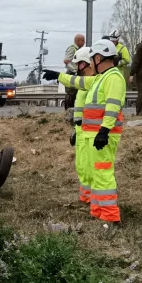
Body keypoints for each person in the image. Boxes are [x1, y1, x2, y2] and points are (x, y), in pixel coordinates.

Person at [42, 46, 98, 205]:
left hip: (91, 132)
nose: (77, 67)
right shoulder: (84, 84)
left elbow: (76, 82)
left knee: (90, 167)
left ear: (87, 63)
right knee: (82, 166)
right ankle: (87, 197)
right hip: (82, 130)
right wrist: (76, 129)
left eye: (79, 64)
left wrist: (59, 76)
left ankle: (95, 199)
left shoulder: (94, 82)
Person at [84, 39, 126, 223]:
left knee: (102, 172)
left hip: (102, 134)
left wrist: (104, 130)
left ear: (99, 58)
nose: (91, 63)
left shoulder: (113, 77)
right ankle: (98, 211)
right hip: (94, 133)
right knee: (96, 174)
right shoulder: (102, 77)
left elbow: (112, 106)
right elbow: (78, 81)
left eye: (92, 59)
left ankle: (110, 215)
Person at [62, 34, 85, 113]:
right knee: (71, 93)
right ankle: (68, 111)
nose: (84, 42)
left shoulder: (77, 49)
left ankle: (72, 111)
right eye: (83, 40)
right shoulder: (72, 49)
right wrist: (75, 70)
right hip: (71, 73)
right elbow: (66, 60)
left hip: (74, 73)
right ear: (78, 41)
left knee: (75, 93)